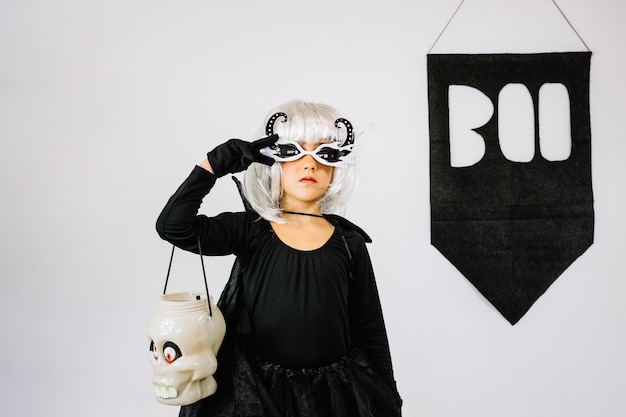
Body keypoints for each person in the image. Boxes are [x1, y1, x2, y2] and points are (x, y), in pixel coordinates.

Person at [156, 100, 402, 417]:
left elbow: (370, 327)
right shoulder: (250, 229)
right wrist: (213, 165)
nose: (309, 164)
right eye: (293, 151)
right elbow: (173, 227)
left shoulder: (349, 241)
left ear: (337, 167)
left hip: (332, 396)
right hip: (261, 396)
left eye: (324, 154)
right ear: (272, 160)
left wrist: (388, 397)